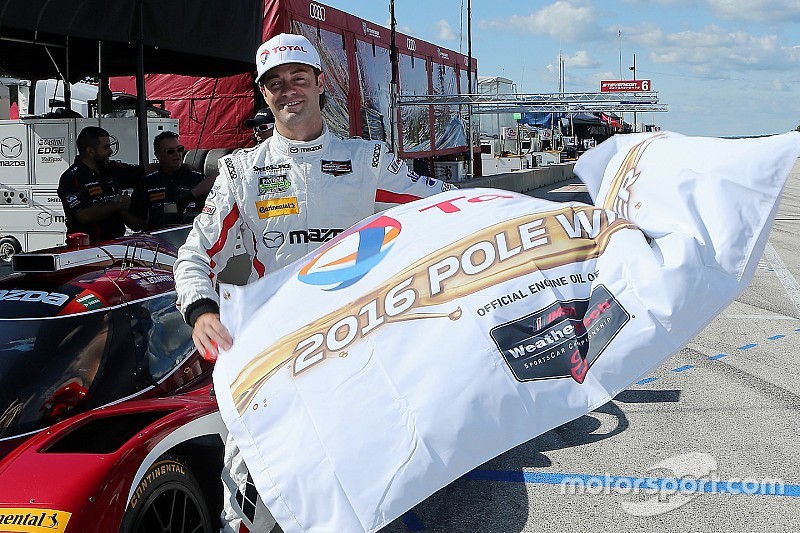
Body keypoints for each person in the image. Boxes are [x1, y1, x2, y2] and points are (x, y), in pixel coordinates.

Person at [174, 32, 455, 533]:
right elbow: (196, 255)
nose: (288, 91)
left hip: (352, 347)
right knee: (248, 489)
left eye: (298, 78)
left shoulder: (367, 161)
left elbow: (444, 207)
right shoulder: (243, 171)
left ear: (320, 83)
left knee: (365, 486)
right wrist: (201, 310)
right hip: (273, 352)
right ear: (264, 94)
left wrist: (515, 215)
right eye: (275, 83)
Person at [57, 126, 142, 242]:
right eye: (106, 147)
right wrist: (118, 204)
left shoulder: (112, 168)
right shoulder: (71, 177)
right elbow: (83, 215)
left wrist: (172, 165)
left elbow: (143, 171)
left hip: (117, 244)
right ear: (91, 151)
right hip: (86, 248)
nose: (110, 152)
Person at [129, 131, 215, 231]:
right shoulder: (147, 183)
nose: (177, 154)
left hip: (191, 239)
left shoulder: (198, 178)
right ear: (158, 155)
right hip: (160, 240)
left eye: (179, 149)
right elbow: (137, 225)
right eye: (170, 151)